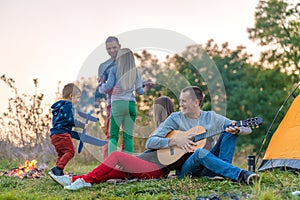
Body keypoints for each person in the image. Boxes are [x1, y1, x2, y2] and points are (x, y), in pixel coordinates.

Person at [49, 96, 174, 190]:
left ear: (158, 110)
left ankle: (85, 181)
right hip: (149, 165)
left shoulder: (170, 129)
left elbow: (156, 149)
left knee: (116, 156)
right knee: (114, 172)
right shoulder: (163, 129)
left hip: (155, 170)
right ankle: (72, 179)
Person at [146, 86, 259, 185]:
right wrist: (175, 141)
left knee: (230, 131)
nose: (180, 104)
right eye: (180, 101)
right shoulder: (174, 118)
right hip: (187, 169)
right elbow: (150, 142)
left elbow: (247, 129)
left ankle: (224, 173)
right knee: (199, 153)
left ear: (196, 102)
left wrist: (238, 130)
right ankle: (241, 175)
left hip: (210, 164)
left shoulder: (211, 117)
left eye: (184, 101)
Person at [99, 48, 150, 155]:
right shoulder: (136, 72)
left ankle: (111, 164)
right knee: (128, 138)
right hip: (131, 105)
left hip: (117, 105)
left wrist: (102, 83)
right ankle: (128, 166)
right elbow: (140, 91)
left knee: (113, 136)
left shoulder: (114, 70)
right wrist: (146, 88)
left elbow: (108, 87)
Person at [49, 83, 85, 176]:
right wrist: (80, 124)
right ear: (71, 96)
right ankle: (58, 168)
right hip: (62, 134)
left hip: (54, 135)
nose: (78, 100)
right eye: (77, 97)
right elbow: (70, 119)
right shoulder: (68, 105)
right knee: (70, 152)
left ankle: (57, 172)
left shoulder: (58, 106)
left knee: (62, 154)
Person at [97, 36, 121, 160]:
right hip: (112, 104)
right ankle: (108, 163)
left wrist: (145, 83)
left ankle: (126, 164)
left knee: (127, 135)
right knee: (111, 135)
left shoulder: (126, 63)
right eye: (109, 48)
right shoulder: (103, 66)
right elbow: (101, 89)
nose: (112, 50)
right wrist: (110, 89)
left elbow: (134, 81)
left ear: (119, 46)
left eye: (114, 47)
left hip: (127, 103)